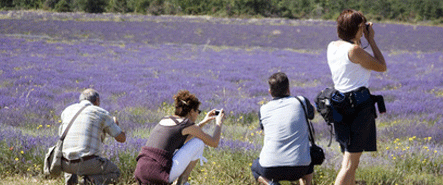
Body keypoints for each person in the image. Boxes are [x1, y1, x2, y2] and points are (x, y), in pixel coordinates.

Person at [327, 9, 387, 185]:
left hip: (339, 105)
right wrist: (371, 39)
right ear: (359, 27)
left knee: (350, 161)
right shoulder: (355, 50)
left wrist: (360, 36)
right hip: (358, 107)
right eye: (362, 26)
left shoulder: (332, 46)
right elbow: (382, 66)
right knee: (349, 165)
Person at [134, 90, 225, 185]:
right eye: (198, 111)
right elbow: (214, 143)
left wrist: (204, 122)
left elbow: (185, 137)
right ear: (191, 111)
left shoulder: (166, 119)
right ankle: (182, 182)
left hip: (141, 171)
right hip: (159, 174)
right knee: (198, 142)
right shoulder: (186, 124)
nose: (198, 114)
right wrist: (219, 123)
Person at [250, 72, 314, 185]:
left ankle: (271, 183)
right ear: (288, 89)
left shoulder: (263, 109)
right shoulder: (301, 101)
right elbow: (312, 114)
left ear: (270, 92)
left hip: (270, 169)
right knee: (310, 157)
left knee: (255, 167)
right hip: (301, 168)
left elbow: (265, 128)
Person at [59, 88, 126, 185]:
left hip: (64, 164)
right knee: (115, 172)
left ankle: (70, 182)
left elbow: (62, 136)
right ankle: (90, 181)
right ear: (97, 100)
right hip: (87, 163)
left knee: (71, 151)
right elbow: (121, 139)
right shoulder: (101, 113)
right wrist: (116, 125)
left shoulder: (67, 111)